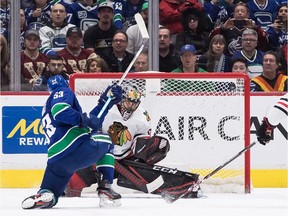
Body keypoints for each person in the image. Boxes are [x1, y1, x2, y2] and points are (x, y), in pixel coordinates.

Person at [63, 84, 201, 199]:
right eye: (128, 101)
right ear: (121, 100)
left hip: (126, 158)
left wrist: (139, 155)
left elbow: (143, 139)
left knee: (160, 144)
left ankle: (179, 186)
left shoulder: (142, 115)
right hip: (102, 157)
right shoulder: (108, 110)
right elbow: (92, 130)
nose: (131, 106)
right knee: (74, 183)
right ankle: (64, 191)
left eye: (134, 103)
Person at [21, 74, 123, 209]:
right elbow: (61, 111)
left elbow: (90, 123)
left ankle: (45, 195)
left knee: (50, 194)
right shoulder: (63, 91)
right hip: (74, 147)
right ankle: (105, 186)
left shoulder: (46, 107)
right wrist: (85, 119)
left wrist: (106, 102)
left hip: (56, 161)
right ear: (67, 83)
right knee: (108, 141)